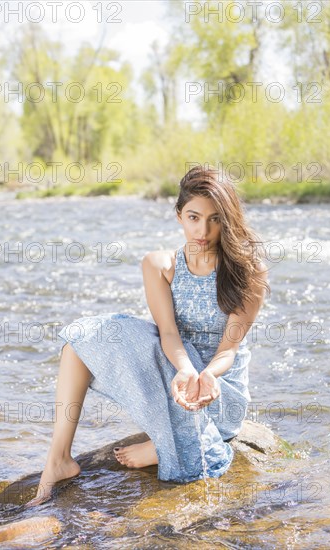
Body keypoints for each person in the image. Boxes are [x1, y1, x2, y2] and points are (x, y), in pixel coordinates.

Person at [26, 165, 270, 507]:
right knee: (80, 340)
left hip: (219, 385)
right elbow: (168, 333)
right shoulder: (159, 264)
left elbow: (230, 347)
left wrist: (207, 375)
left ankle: (166, 444)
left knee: (202, 406)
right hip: (176, 365)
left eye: (215, 219)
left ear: (228, 220)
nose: (202, 230)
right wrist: (185, 370)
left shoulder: (249, 271)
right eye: (193, 217)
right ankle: (59, 459)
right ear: (178, 216)